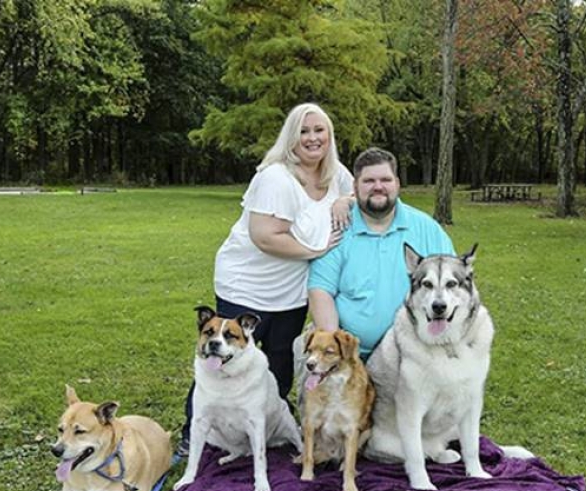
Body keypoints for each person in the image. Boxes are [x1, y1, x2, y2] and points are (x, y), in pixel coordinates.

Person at [179, 103, 354, 450]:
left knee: (279, 364)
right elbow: (265, 236)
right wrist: (315, 251)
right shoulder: (276, 177)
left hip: (290, 290)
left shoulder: (339, 175)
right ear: (291, 137)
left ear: (330, 135)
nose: (312, 138)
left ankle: (268, 427)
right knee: (226, 357)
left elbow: (361, 195)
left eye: (319, 130)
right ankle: (195, 432)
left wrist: (345, 200)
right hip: (245, 284)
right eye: (303, 131)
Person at [307, 147, 455, 360]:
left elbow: (454, 286)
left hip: (414, 355)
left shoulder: (427, 229)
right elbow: (320, 291)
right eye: (368, 181)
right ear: (355, 186)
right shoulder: (339, 228)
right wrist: (339, 352)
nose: (378, 187)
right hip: (353, 354)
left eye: (385, 179)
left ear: (397, 184)